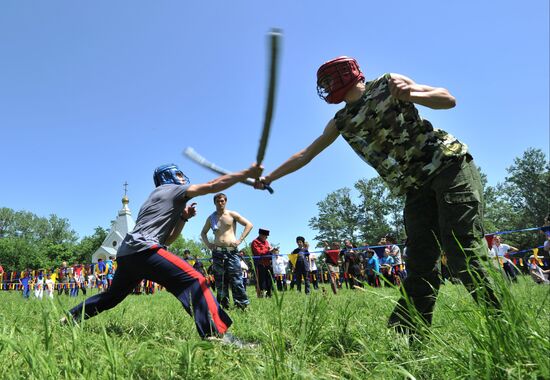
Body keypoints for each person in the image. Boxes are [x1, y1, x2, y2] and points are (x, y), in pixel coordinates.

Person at [255, 56, 500, 334]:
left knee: (462, 250)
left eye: (328, 80)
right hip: (415, 188)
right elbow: (306, 154)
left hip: (448, 166)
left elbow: (447, 99)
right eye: (322, 84)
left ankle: (504, 326)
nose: (325, 88)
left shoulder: (387, 83)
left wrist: (413, 93)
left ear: (347, 74)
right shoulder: (342, 120)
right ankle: (407, 337)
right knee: (419, 262)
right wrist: (269, 177)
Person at [64, 162, 262, 340]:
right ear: (169, 177)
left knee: (111, 297)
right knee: (195, 279)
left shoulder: (157, 198)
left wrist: (183, 219)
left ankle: (69, 318)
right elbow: (211, 186)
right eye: (180, 175)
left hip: (127, 254)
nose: (184, 179)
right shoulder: (173, 189)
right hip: (144, 250)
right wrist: (245, 174)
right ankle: (216, 336)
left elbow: (166, 239)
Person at [201, 193, 253, 310]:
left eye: (223, 201)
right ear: (214, 203)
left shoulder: (232, 214)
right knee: (220, 281)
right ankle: (223, 307)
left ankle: (242, 306)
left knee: (236, 280)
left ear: (226, 201)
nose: (221, 203)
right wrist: (209, 244)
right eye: (218, 201)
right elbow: (203, 233)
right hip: (218, 253)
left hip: (232, 252)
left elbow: (249, 225)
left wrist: (239, 240)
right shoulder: (211, 218)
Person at [251, 228, 274, 297]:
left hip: (267, 264)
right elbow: (258, 253)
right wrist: (268, 250)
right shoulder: (255, 242)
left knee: (269, 280)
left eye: (267, 236)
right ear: (261, 235)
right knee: (261, 281)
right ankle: (261, 295)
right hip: (259, 265)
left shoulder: (266, 242)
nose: (266, 238)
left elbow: (268, 252)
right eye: (265, 236)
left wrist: (271, 252)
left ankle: (269, 295)